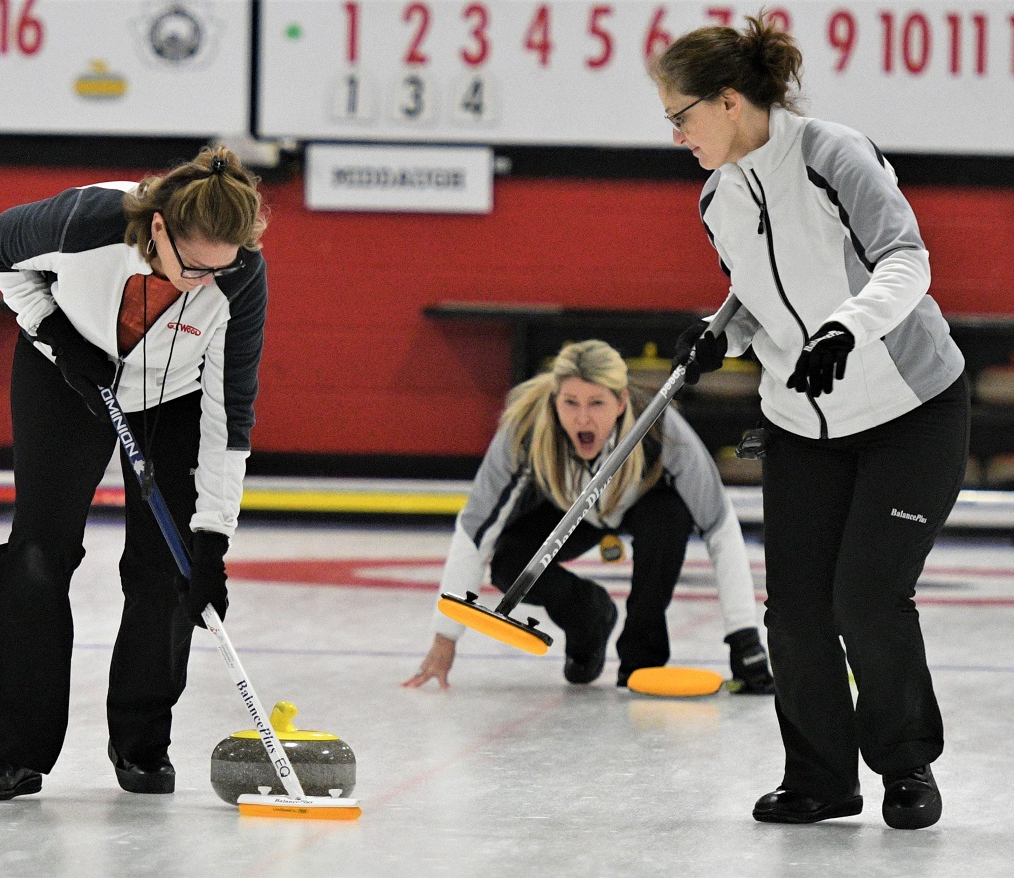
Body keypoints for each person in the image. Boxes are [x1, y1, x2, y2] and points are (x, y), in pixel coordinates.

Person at [652, 16, 970, 830]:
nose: (676, 133)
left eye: (680, 115)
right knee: (794, 613)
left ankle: (906, 768)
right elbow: (759, 302)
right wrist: (718, 335)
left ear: (729, 101)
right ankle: (821, 778)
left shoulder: (833, 154)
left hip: (911, 409)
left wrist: (848, 328)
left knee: (866, 599)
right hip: (799, 422)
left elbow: (906, 258)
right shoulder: (717, 196)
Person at [0, 146, 269, 801]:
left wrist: (212, 538)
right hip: (65, 375)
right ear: (158, 227)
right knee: (37, 557)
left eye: (220, 268)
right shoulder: (83, 220)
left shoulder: (238, 276)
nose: (200, 283)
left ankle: (141, 743)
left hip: (176, 395)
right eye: (191, 266)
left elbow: (228, 413)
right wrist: (54, 334)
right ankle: (11, 752)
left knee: (169, 568)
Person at [403, 339, 772, 694]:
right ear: (554, 400)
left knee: (669, 520)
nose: (583, 417)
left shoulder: (662, 430)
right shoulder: (524, 431)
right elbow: (475, 531)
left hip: (644, 506)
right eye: (570, 403)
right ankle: (588, 617)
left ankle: (641, 658)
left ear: (621, 401)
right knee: (509, 562)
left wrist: (744, 640)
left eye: (597, 402)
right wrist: (444, 638)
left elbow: (720, 528)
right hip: (566, 508)